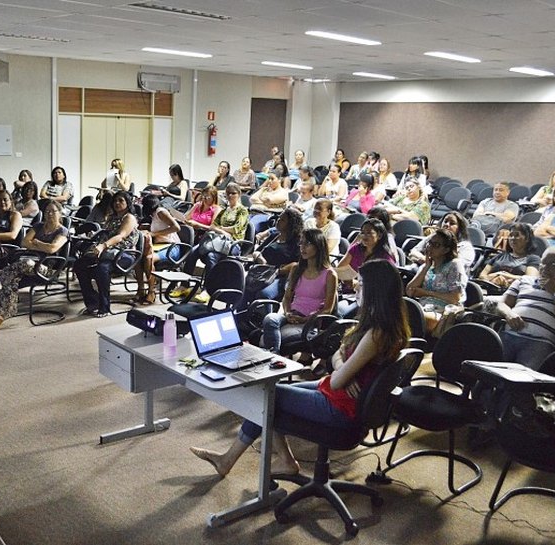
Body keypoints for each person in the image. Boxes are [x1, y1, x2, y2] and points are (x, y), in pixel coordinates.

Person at [189, 259, 409, 477]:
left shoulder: (376, 334)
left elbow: (336, 375)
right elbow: (337, 355)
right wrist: (346, 369)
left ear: (376, 290)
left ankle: (234, 461)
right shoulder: (384, 326)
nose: (355, 285)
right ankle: (276, 461)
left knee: (266, 395)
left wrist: (342, 369)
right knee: (270, 390)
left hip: (341, 408)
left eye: (361, 282)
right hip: (342, 395)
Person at [0, 201, 69, 329]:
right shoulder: (38, 226)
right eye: (47, 211)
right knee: (11, 276)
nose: (49, 214)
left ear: (60, 214)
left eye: (53, 211)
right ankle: (2, 314)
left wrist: (36, 242)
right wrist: (41, 245)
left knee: (23, 264)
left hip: (47, 268)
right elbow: (25, 242)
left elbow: (52, 249)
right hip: (26, 263)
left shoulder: (63, 231)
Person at [493, 247, 555, 369]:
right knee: (486, 374)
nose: (545, 268)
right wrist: (509, 314)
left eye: (553, 264)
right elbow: (502, 304)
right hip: (509, 333)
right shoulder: (525, 280)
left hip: (541, 341)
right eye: (543, 262)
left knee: (521, 382)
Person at [260, 228, 337, 356]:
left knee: (270, 338)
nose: (302, 247)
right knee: (270, 318)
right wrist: (288, 312)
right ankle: (274, 355)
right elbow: (287, 297)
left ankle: (273, 356)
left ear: (318, 245)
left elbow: (328, 309)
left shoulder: (330, 274)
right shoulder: (297, 268)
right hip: (292, 315)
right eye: (301, 243)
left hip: (310, 322)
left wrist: (304, 319)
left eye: (307, 244)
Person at [170, 184, 249, 300]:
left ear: (239, 194)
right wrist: (221, 230)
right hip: (217, 240)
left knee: (211, 256)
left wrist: (220, 228)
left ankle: (208, 290)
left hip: (232, 244)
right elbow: (213, 226)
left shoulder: (243, 210)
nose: (230, 196)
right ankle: (184, 285)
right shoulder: (225, 210)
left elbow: (236, 228)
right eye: (228, 193)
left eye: (233, 193)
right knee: (192, 252)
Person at [73, 190, 139, 317]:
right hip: (106, 253)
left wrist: (103, 246)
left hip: (124, 254)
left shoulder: (129, 217)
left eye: (121, 201)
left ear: (128, 203)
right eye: (115, 201)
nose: (117, 203)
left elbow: (121, 236)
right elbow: (104, 234)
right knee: (79, 265)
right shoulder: (111, 217)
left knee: (101, 268)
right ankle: (93, 302)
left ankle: (104, 307)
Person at [405, 228, 467, 334]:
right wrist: (426, 267)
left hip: (444, 312)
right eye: (430, 243)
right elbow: (410, 290)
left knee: (412, 318)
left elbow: (454, 298)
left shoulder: (454, 265)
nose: (430, 247)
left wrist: (426, 293)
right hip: (423, 307)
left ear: (446, 250)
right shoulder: (427, 265)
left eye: (436, 245)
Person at [133, 194, 181, 305]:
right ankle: (141, 289)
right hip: (160, 246)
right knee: (138, 257)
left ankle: (151, 291)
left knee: (149, 258)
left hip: (172, 247)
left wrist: (154, 233)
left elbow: (176, 227)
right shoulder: (153, 215)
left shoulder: (161, 212)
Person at [478, 222, 540, 290]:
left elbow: (531, 279)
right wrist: (497, 276)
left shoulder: (533, 259)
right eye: (511, 235)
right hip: (489, 288)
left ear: (527, 238)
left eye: (517, 235)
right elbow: (482, 276)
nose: (513, 238)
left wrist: (505, 275)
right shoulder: (499, 256)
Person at [408, 211, 476, 271]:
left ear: (460, 228)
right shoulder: (433, 237)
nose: (447, 225)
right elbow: (414, 251)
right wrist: (423, 259)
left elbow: (456, 266)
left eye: (452, 223)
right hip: (421, 269)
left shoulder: (465, 247)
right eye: (445, 221)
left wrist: (431, 263)